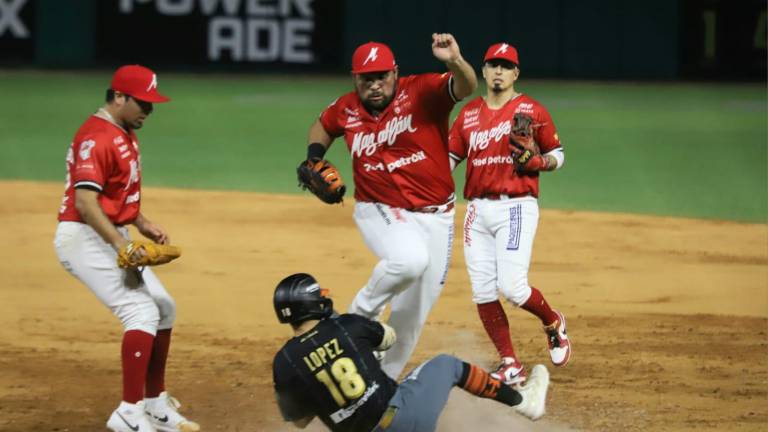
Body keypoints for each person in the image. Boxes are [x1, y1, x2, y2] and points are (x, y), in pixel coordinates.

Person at [300, 34, 478, 379]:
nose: (376, 84)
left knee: (411, 319)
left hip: (438, 217)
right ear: (356, 79)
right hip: (379, 208)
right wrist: (313, 158)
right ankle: (354, 320)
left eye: (382, 75)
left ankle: (377, 386)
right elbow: (323, 125)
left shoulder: (423, 91)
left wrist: (454, 60)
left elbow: (466, 86)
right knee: (409, 260)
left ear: (395, 73)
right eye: (367, 78)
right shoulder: (346, 108)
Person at [53, 65, 199, 432]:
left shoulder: (123, 130)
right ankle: (128, 412)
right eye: (143, 103)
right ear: (119, 97)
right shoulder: (96, 137)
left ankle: (154, 405)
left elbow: (113, 192)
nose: (149, 110)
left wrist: (140, 222)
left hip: (108, 230)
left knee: (164, 306)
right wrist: (122, 244)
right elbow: (86, 202)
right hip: (84, 235)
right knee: (140, 313)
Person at [272, 273, 550, 431]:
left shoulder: (284, 363)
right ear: (312, 302)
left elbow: (300, 421)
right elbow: (388, 339)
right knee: (446, 365)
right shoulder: (346, 326)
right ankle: (523, 401)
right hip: (400, 419)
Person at [447, 43, 572, 385]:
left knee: (513, 289)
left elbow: (558, 154)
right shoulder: (468, 114)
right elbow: (449, 161)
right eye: (493, 65)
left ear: (516, 73)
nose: (498, 71)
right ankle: (510, 363)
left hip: (516, 206)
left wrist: (539, 162)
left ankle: (552, 322)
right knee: (483, 291)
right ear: (484, 71)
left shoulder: (532, 110)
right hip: (476, 209)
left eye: (506, 66)